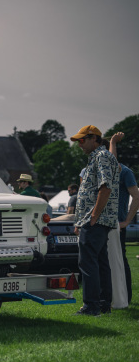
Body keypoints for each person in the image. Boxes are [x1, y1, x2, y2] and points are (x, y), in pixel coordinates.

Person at [71, 125, 119, 316]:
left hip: (96, 219)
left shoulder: (102, 156)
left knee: (88, 262)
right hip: (94, 219)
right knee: (100, 261)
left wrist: (93, 216)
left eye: (82, 140)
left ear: (94, 139)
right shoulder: (98, 158)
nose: (79, 145)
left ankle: (91, 306)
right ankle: (103, 304)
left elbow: (105, 187)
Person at [109, 132, 139, 305]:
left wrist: (127, 220)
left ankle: (124, 297)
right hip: (101, 222)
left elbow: (136, 196)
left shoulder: (124, 171)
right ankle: (107, 297)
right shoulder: (94, 170)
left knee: (121, 259)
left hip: (117, 223)